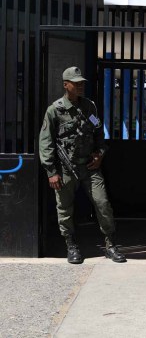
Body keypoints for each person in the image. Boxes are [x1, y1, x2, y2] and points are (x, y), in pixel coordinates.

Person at [39, 66, 126, 264]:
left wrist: (100, 154)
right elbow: (45, 142)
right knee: (65, 208)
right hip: (65, 169)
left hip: (89, 167)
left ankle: (111, 245)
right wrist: (51, 171)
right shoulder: (54, 111)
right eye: (76, 83)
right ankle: (71, 245)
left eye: (81, 83)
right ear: (65, 85)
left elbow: (98, 134)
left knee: (102, 203)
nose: (80, 86)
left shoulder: (90, 108)